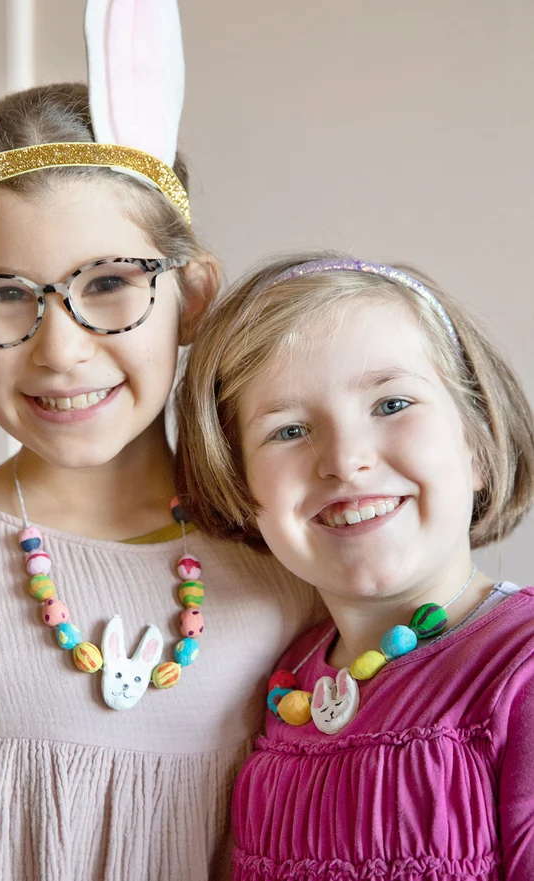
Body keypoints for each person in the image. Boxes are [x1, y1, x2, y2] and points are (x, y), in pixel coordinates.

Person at [0, 3, 318, 878]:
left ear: (192, 296)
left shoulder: (294, 568)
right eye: (6, 293)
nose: (61, 349)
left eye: (110, 282)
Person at [177, 253, 534, 879]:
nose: (344, 461)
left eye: (392, 404)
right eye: (288, 431)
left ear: (479, 444)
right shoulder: (284, 683)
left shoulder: (520, 671)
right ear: (241, 490)